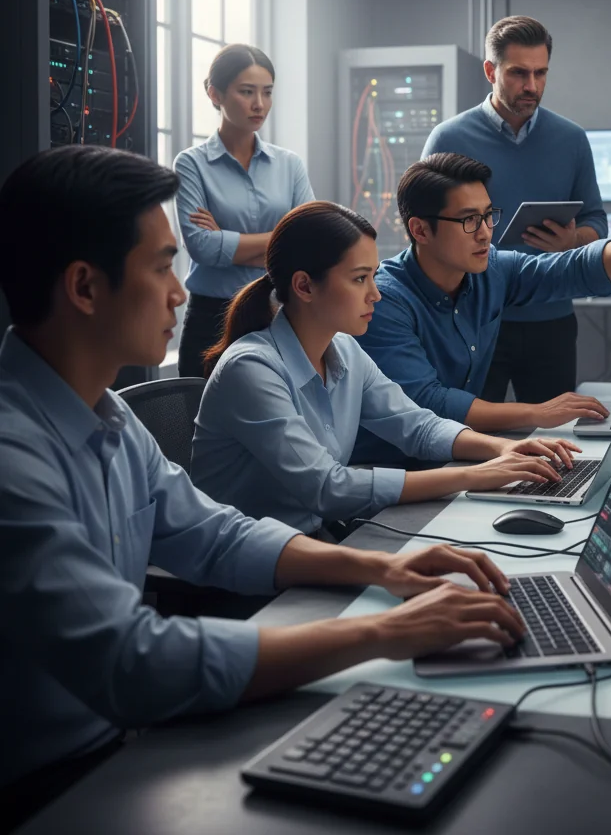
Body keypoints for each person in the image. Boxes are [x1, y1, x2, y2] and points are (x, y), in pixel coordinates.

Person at [0, 146, 523, 831]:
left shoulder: (110, 416)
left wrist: (384, 568)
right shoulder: (14, 457)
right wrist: (383, 631)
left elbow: (215, 532)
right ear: (85, 287)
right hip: (47, 787)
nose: (182, 292)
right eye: (163, 268)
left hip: (119, 746)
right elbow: (132, 660)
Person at [191, 200, 579, 535]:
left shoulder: (343, 348)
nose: (375, 293)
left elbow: (417, 426)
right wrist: (477, 475)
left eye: (374, 275)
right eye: (360, 279)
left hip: (312, 540)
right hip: (250, 568)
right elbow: (328, 488)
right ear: (305, 286)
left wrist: (503, 447)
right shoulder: (252, 368)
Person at [354, 153, 611, 463]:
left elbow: (575, 269)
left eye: (488, 215)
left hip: (455, 458)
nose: (486, 232)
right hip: (394, 476)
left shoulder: (490, 271)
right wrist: (536, 413)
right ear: (420, 230)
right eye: (469, 220)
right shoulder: (385, 301)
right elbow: (429, 402)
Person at [421, 16, 606, 404]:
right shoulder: (448, 138)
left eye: (541, 73)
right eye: (519, 73)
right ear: (491, 71)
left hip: (551, 320)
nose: (532, 86)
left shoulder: (571, 140)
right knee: (469, 439)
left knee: (556, 442)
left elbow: (596, 221)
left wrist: (573, 241)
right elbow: (423, 233)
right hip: (471, 321)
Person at [173, 44, 315, 377]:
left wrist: (226, 239)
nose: (259, 104)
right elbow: (201, 247)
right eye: (247, 92)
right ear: (215, 93)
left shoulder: (289, 164)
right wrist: (280, 242)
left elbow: (310, 238)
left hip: (279, 313)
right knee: (201, 421)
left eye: (267, 92)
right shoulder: (192, 164)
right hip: (211, 318)